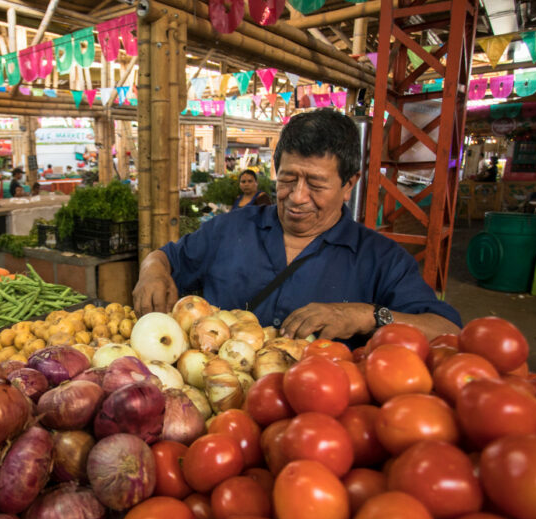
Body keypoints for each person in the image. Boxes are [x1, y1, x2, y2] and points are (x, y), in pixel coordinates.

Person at [132, 109, 461, 344]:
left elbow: (448, 329)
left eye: (316, 184)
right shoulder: (230, 229)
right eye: (288, 179)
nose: (297, 197)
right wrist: (152, 271)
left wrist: (366, 316)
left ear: (349, 184)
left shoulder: (380, 259)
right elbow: (165, 258)